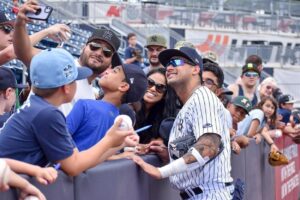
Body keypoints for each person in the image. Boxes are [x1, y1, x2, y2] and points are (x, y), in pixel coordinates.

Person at [0, 48, 134, 177]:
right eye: (76, 80)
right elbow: (74, 167)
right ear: (67, 88)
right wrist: (110, 140)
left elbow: (78, 160)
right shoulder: (48, 114)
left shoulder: (40, 107)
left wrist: (118, 144)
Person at [131, 47, 233, 199]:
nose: (170, 67)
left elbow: (209, 147)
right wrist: (169, 154)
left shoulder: (202, 97)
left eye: (177, 62)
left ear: (195, 69)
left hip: (209, 193)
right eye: (168, 64)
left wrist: (161, 172)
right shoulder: (190, 103)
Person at [12, 0, 121, 116]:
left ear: (110, 63)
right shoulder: (61, 63)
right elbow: (23, 52)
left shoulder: (91, 96)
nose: (99, 53)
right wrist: (20, 24)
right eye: (94, 46)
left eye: (107, 52)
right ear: (83, 48)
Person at [66, 63, 147, 151]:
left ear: (123, 86)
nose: (107, 72)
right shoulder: (121, 123)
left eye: (115, 71)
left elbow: (58, 137)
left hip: (65, 162)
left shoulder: (85, 105)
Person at [0, 10, 70, 65]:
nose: (12, 34)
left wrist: (55, 52)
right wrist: (47, 31)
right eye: (7, 28)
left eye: (13, 29)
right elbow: (10, 53)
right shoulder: (10, 52)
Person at [135, 67, 177, 145]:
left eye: (160, 87)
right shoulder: (128, 106)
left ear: (165, 94)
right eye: (149, 82)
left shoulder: (163, 117)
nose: (153, 89)